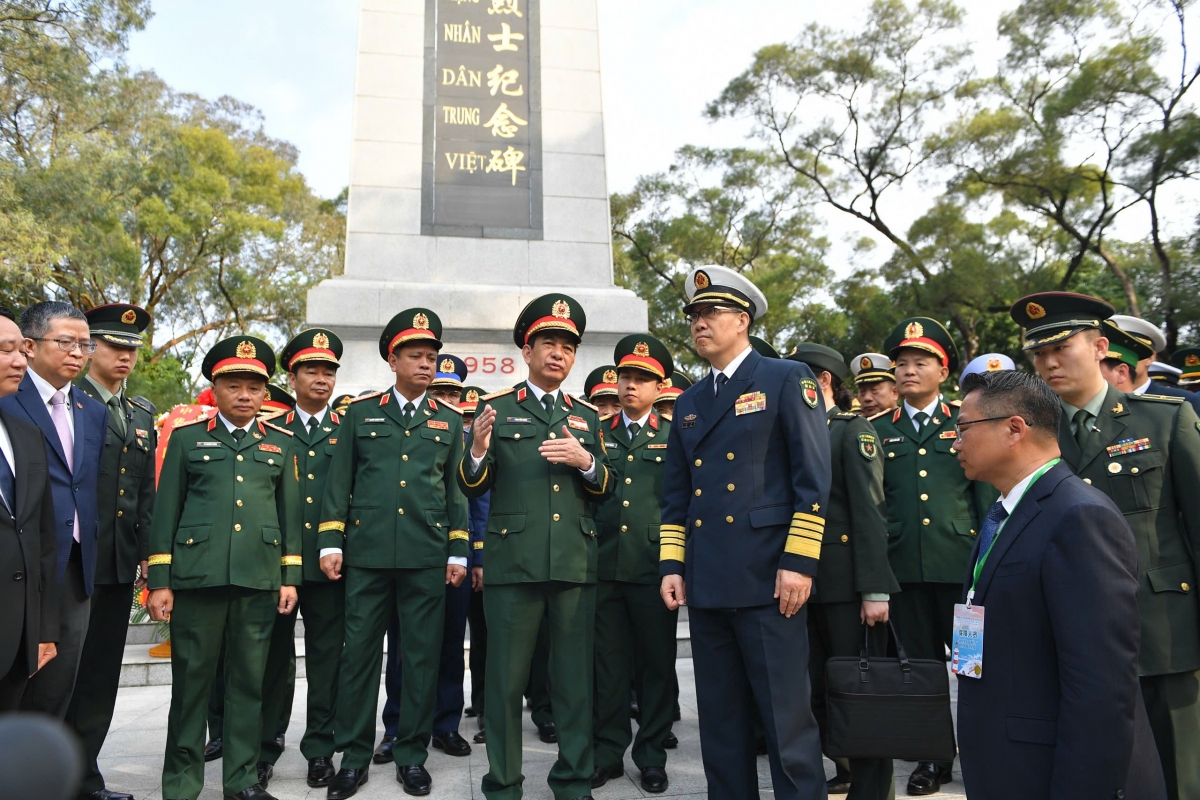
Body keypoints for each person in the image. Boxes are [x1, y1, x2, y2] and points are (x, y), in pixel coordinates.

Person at [1012, 292, 1200, 800]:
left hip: (1163, 633)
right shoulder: (1031, 436)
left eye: (1062, 348)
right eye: (1038, 352)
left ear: (1100, 347)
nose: (1048, 362)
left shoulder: (1164, 420)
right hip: (1071, 640)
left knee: (1181, 773)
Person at [951, 368, 1166, 800]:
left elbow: (1101, 686)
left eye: (963, 428)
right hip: (1007, 760)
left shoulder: (1078, 516)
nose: (954, 443)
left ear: (1014, 428)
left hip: (1050, 771)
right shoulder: (1008, 511)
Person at [658, 265, 831, 800]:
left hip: (768, 578)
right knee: (721, 723)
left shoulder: (785, 376)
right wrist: (671, 565)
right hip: (708, 580)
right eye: (693, 316)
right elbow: (676, 497)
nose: (699, 324)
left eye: (710, 313)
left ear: (742, 319)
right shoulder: (687, 403)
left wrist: (799, 562)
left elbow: (813, 478)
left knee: (786, 724)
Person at [457, 293, 612, 800]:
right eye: (548, 343)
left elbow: (605, 486)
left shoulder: (586, 416)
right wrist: (478, 450)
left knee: (572, 683)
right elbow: (470, 485)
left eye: (568, 346)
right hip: (513, 565)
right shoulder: (496, 410)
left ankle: (572, 782)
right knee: (503, 685)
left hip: (572, 562)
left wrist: (585, 461)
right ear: (527, 350)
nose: (558, 354)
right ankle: (502, 783)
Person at [317, 309, 470, 799]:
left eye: (432, 357)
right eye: (416, 356)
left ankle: (411, 756)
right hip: (367, 554)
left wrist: (458, 552)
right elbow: (339, 482)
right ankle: (355, 758)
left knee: (421, 658)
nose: (426, 365)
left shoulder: (448, 421)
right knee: (359, 657)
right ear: (393, 358)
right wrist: (330, 540)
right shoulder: (360, 415)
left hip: (426, 555)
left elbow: (455, 492)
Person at [145, 335, 302, 800]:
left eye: (255, 387)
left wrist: (289, 576)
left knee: (247, 687)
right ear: (215, 388)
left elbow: (289, 517)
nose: (245, 395)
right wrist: (160, 581)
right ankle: (180, 784)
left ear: (265, 393)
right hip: (198, 580)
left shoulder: (280, 445)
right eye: (234, 385)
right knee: (191, 686)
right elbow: (166, 512)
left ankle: (241, 782)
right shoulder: (189, 440)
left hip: (257, 581)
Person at [870, 316, 996, 796]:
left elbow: (986, 499)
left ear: (943, 371)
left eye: (920, 363)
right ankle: (933, 758)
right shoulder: (879, 430)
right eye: (900, 364)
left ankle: (983, 753)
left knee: (973, 666)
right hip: (905, 570)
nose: (907, 371)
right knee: (921, 669)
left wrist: (987, 567)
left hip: (961, 570)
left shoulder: (967, 421)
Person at [789, 343, 898, 800]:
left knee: (859, 694)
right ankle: (847, 767)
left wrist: (874, 588)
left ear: (824, 382)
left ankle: (874, 788)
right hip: (800, 585)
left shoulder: (852, 433)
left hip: (845, 586)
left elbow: (870, 514)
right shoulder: (796, 431)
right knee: (816, 692)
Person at [66, 304, 157, 800]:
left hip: (119, 563)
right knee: (62, 677)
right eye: (115, 346)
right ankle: (48, 774)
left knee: (100, 676)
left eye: (131, 350)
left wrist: (149, 558)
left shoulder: (140, 413)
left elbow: (145, 495)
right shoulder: (69, 404)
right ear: (90, 348)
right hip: (73, 563)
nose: (125, 357)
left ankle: (86, 777)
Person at [0, 302, 107, 719]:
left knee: (58, 686)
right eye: (66, 342)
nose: (78, 352)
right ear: (31, 345)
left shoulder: (91, 410)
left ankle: (48, 778)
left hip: (73, 562)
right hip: (19, 565)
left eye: (85, 344)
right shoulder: (12, 398)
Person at [377, 352, 475, 761]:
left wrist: (468, 553)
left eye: (453, 392)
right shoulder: (407, 429)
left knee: (451, 642)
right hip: (409, 553)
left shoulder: (465, 437)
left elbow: (470, 503)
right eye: (440, 392)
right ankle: (396, 726)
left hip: (451, 556)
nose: (447, 398)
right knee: (402, 649)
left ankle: (445, 724)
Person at [591, 334, 677, 794]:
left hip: (653, 569)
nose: (631, 385)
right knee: (608, 668)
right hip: (604, 566)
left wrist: (677, 565)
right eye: (626, 376)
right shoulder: (596, 433)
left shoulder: (673, 436)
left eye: (642, 379)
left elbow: (680, 505)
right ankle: (606, 753)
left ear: (658, 387)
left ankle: (651, 755)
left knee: (656, 668)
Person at [0, 307, 58, 712]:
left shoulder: (25, 435)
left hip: (16, 636)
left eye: (22, 350)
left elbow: (42, 538)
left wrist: (42, 629)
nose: (21, 360)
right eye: (7, 351)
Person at [459, 386, 491, 745]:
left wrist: (479, 556)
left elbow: (481, 504)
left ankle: (483, 708)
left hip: (477, 558)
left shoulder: (482, 445)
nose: (467, 423)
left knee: (483, 638)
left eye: (472, 417)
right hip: (444, 556)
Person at [1108, 315, 1200, 416]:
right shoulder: (1098, 399)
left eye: (1130, 354)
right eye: (1111, 354)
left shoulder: (1185, 402)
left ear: (1151, 357)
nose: (1121, 358)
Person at [850, 353, 898, 418]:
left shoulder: (910, 423)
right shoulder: (855, 426)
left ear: (895, 392)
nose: (867, 398)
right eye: (862, 392)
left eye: (874, 390)